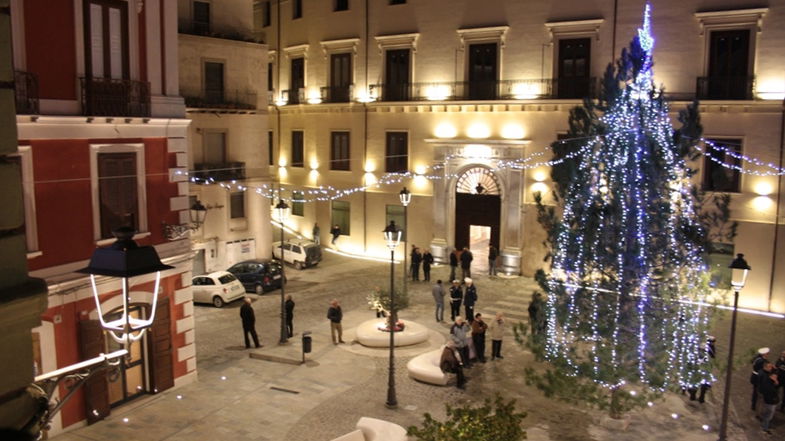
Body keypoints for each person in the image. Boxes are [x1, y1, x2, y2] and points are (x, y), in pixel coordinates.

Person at [758, 362, 779, 434]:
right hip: (770, 402)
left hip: (771, 401)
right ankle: (765, 427)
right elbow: (771, 393)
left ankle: (765, 424)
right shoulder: (768, 383)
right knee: (768, 415)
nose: (771, 368)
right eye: (769, 367)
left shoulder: (769, 379)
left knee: (768, 414)